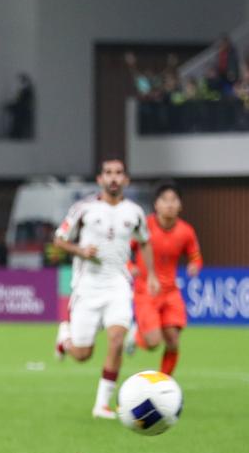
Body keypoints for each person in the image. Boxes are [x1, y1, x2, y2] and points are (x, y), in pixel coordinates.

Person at [53, 158, 160, 419]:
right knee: (82, 354)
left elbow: (145, 241)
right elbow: (59, 239)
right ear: (100, 179)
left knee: (116, 339)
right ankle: (65, 339)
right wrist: (80, 250)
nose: (114, 177)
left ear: (126, 180)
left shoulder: (134, 212)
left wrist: (151, 275)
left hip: (118, 284)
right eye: (108, 173)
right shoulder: (84, 209)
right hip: (87, 286)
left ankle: (102, 404)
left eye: (118, 173)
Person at [125, 183, 203, 375]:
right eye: (164, 200)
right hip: (146, 290)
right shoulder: (145, 227)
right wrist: (130, 266)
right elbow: (124, 251)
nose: (169, 204)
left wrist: (195, 265)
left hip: (170, 292)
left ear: (180, 205)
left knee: (173, 341)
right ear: (156, 204)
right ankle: (136, 335)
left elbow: (195, 256)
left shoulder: (186, 231)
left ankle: (164, 382)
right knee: (153, 342)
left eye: (174, 200)